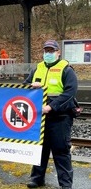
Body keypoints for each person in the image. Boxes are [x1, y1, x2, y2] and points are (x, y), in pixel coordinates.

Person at [23, 40, 77, 189]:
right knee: (40, 148)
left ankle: (65, 184)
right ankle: (37, 178)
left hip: (60, 116)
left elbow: (70, 93)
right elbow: (24, 86)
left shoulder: (66, 69)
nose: (48, 54)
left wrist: (51, 107)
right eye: (46, 51)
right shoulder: (38, 68)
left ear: (58, 52)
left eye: (51, 51)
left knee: (61, 151)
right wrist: (30, 86)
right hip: (40, 117)